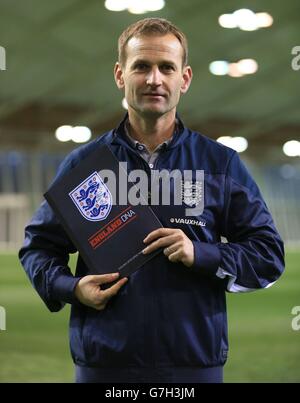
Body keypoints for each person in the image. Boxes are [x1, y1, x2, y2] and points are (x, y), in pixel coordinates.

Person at [19, 18, 285, 383]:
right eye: (141, 66)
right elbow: (37, 248)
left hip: (194, 366)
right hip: (104, 365)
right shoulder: (84, 166)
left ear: (185, 79)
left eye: (167, 68)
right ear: (120, 75)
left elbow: (268, 254)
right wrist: (72, 288)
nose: (154, 79)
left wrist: (202, 253)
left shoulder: (219, 165)